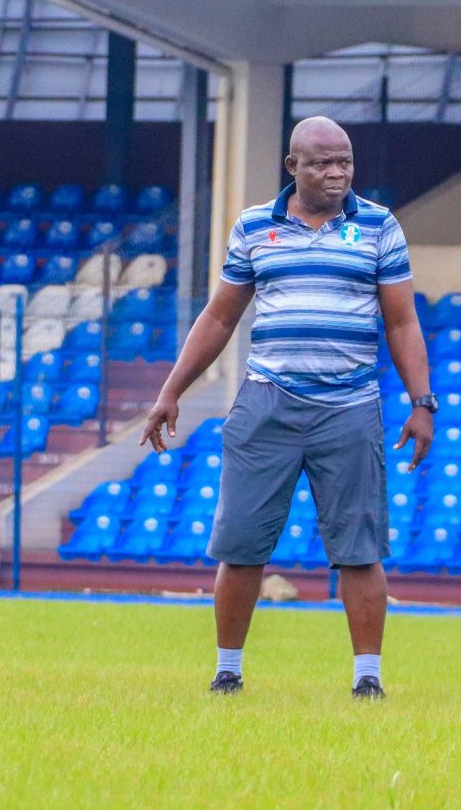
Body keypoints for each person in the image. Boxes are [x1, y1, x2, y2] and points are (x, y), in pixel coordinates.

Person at [140, 116, 435, 699]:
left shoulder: (379, 226)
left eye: (345, 161)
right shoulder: (254, 227)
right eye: (323, 162)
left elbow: (402, 321)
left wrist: (422, 402)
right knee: (241, 545)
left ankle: (367, 681)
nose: (337, 173)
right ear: (292, 167)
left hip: (351, 407)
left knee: (361, 550)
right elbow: (220, 316)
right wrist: (170, 390)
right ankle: (228, 671)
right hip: (266, 402)